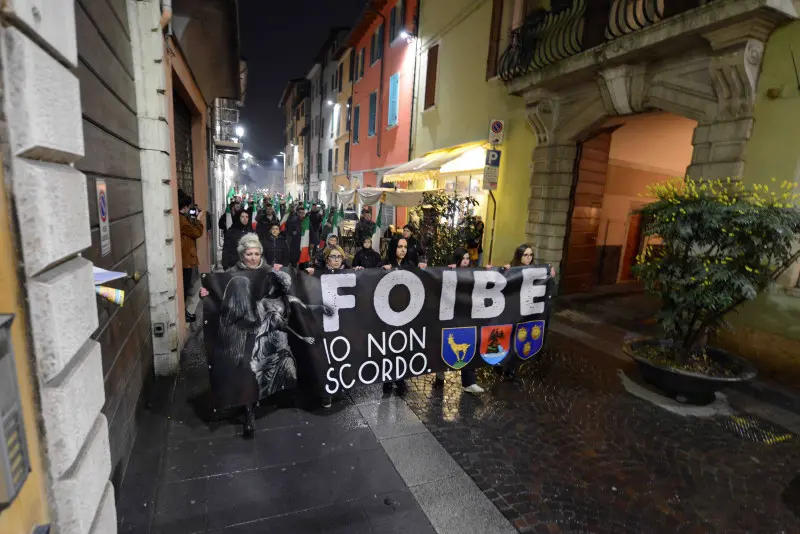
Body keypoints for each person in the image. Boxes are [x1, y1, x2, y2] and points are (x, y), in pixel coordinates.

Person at [491, 243, 557, 383]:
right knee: (507, 339)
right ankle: (499, 364)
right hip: (511, 312)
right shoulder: (512, 269)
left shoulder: (535, 271)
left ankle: (511, 371)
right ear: (519, 256)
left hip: (526, 313)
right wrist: (504, 271)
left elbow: (546, 286)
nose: (528, 258)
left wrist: (550, 275)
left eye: (531, 255)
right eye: (525, 255)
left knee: (519, 341)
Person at [432, 248, 486, 394]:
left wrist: (490, 271)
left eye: (468, 258)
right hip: (449, 316)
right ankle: (440, 373)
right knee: (443, 344)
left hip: (465, 316)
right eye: (463, 258)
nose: (466, 261)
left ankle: (469, 382)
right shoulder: (449, 271)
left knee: (468, 343)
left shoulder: (473, 274)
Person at [381, 238, 428, 395]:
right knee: (389, 348)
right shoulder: (385, 264)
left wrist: (422, 270)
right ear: (394, 248)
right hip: (388, 315)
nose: (403, 250)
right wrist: (382, 271)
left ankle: (400, 379)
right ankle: (387, 380)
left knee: (402, 347)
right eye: (400, 247)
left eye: (405, 247)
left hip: (406, 315)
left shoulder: (410, 266)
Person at [179, 191, 204, 323]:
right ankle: (187, 313)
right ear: (185, 206)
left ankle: (188, 312)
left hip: (188, 259)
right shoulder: (182, 220)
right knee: (191, 287)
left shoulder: (183, 218)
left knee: (193, 286)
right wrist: (199, 220)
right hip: (187, 260)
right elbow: (197, 232)